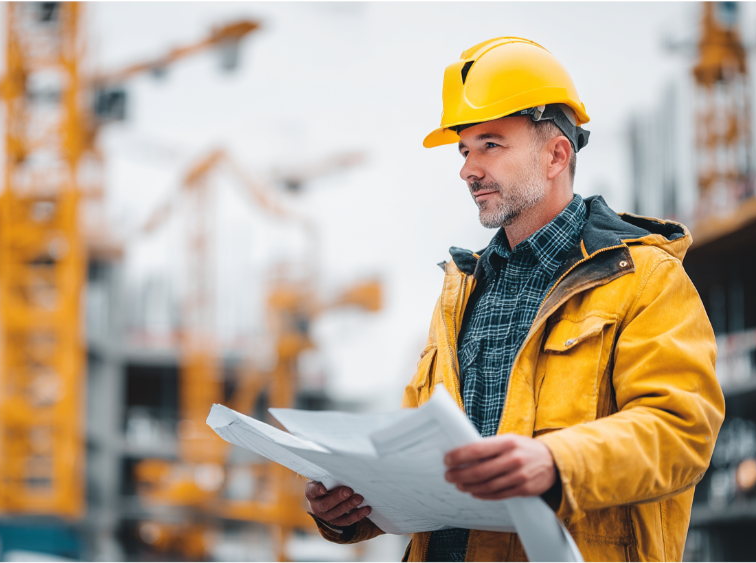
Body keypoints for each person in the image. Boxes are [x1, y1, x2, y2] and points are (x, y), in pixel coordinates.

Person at [304, 36, 725, 562]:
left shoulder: (645, 279)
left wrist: (556, 462)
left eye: (490, 145)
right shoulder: (461, 293)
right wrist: (350, 509)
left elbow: (681, 430)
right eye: (464, 149)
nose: (467, 169)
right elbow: (416, 461)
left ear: (556, 154)